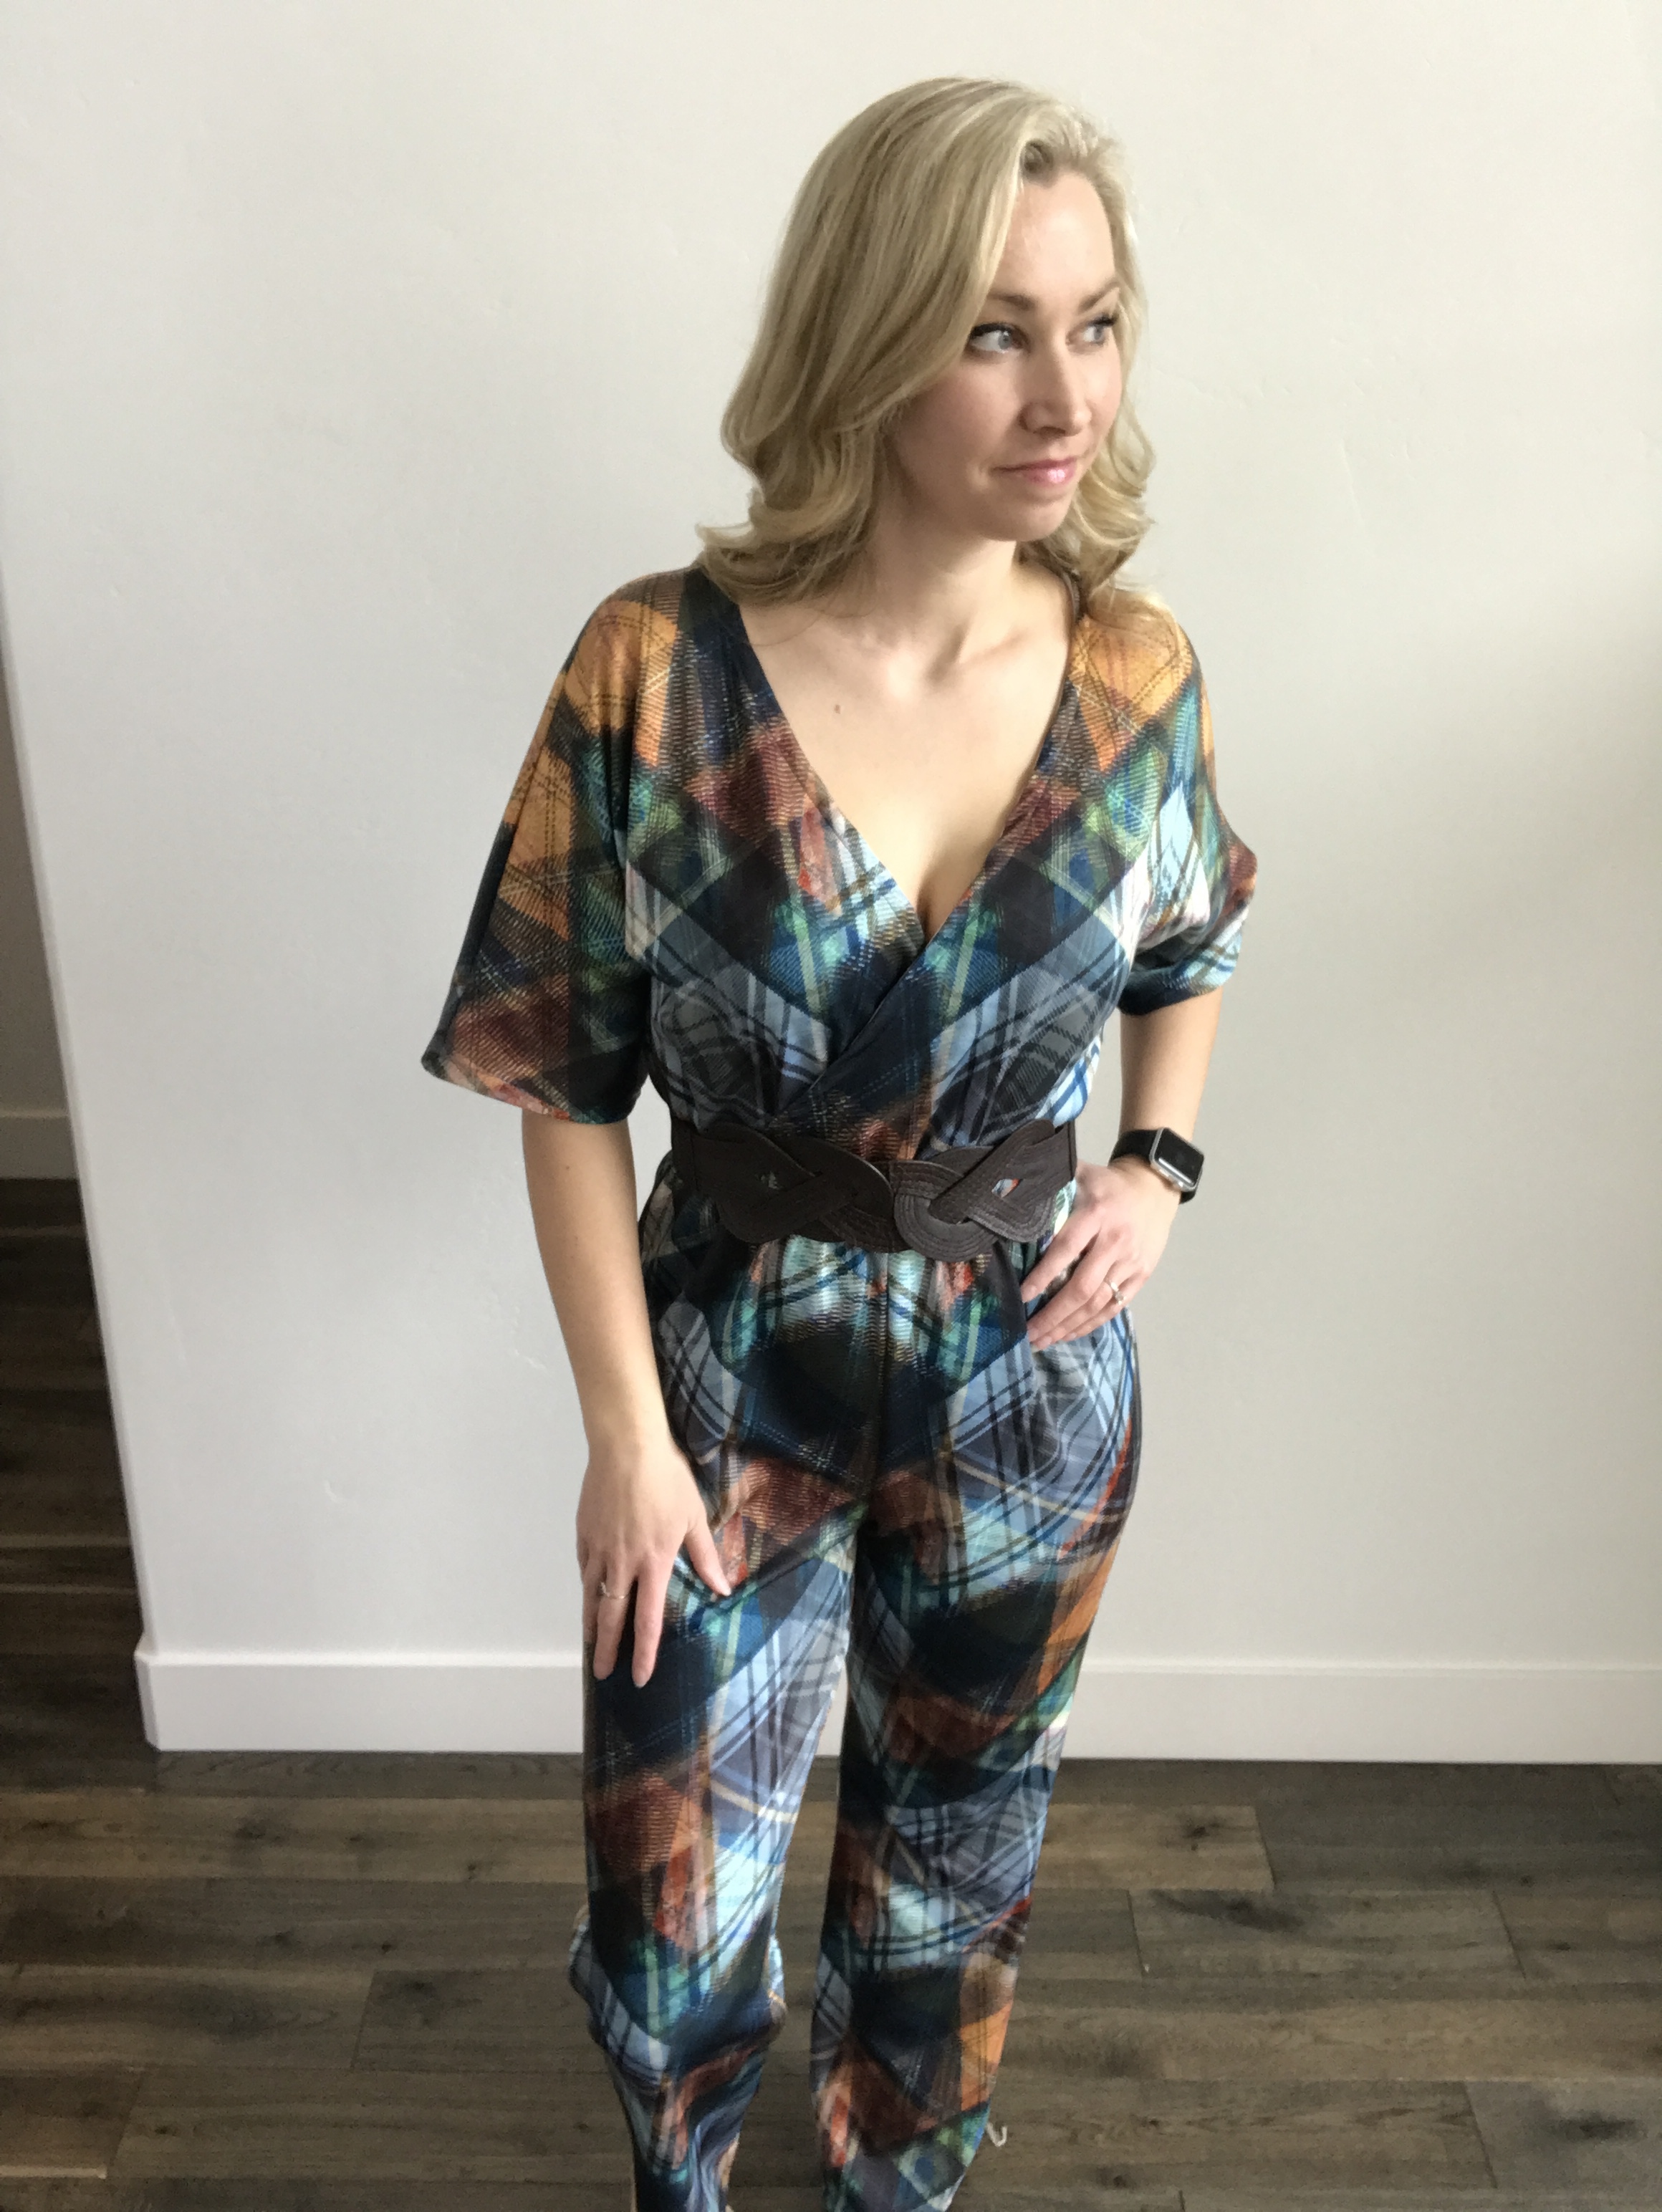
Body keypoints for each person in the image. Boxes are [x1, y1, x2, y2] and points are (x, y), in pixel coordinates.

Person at [423, 73, 1257, 2212]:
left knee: (955, 1857)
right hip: (730, 1361)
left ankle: (901, 2170)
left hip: (1029, 1371)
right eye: (994, 330)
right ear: (869, 340)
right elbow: (556, 1075)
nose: (1064, 394)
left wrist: (1156, 1171)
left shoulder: (1136, 676)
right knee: (676, 1888)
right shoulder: (657, 674)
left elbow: (1188, 945)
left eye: (1095, 324)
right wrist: (625, 1439)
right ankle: (685, 2174)